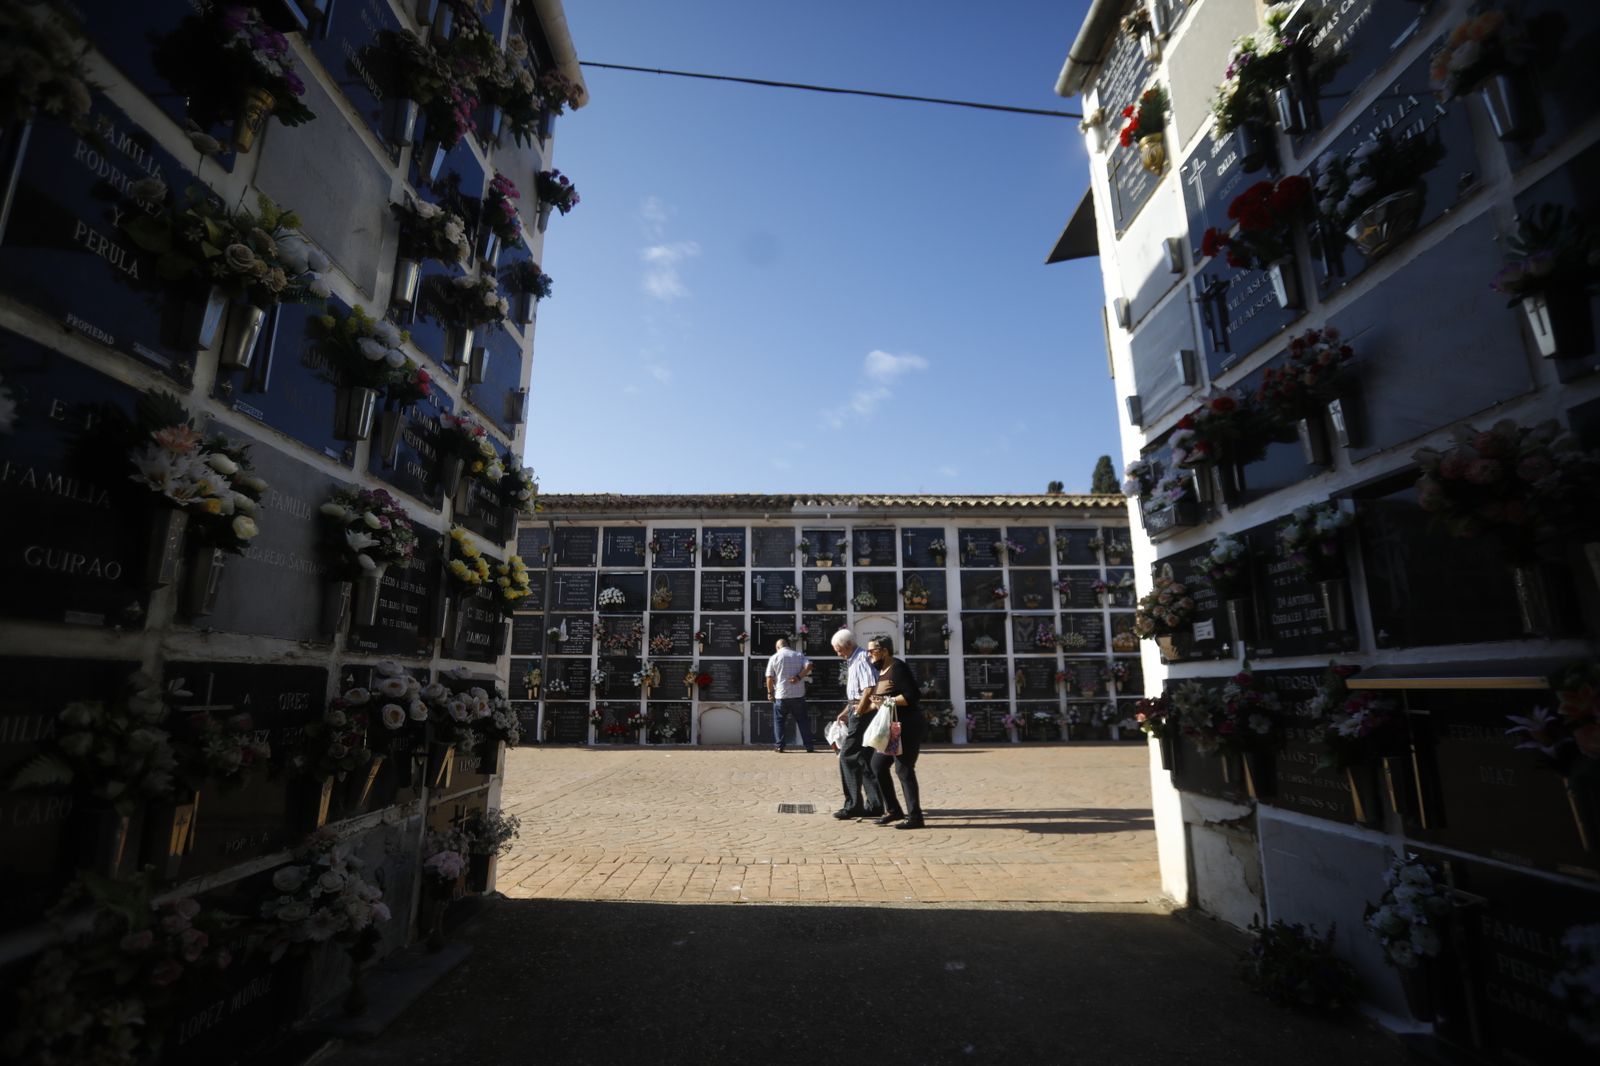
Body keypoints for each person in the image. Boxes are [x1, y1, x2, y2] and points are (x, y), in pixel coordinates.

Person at [858, 634, 925, 829]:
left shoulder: (898, 667)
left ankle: (915, 817)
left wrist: (889, 701)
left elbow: (912, 696)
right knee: (877, 766)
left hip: (908, 726)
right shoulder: (882, 671)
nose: (869, 654)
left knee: (903, 770)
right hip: (891, 729)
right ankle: (894, 811)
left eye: (872, 650)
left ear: (885, 651)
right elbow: (881, 700)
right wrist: (861, 708)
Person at [830, 628, 884, 819]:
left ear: (848, 645)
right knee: (864, 759)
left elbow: (869, 687)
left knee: (847, 756)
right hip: (857, 709)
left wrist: (859, 711)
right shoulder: (854, 660)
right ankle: (876, 804)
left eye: (838, 649)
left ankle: (853, 805)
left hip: (863, 713)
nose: (838, 654)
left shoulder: (860, 659)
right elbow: (857, 692)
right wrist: (846, 711)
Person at [764, 637, 813, 753]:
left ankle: (780, 746)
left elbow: (769, 677)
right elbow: (809, 665)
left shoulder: (774, 657)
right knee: (803, 721)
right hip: (798, 695)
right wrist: (799, 677)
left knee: (779, 721)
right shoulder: (799, 655)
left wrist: (770, 692)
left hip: (781, 695)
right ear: (788, 645)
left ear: (777, 647)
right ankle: (809, 746)